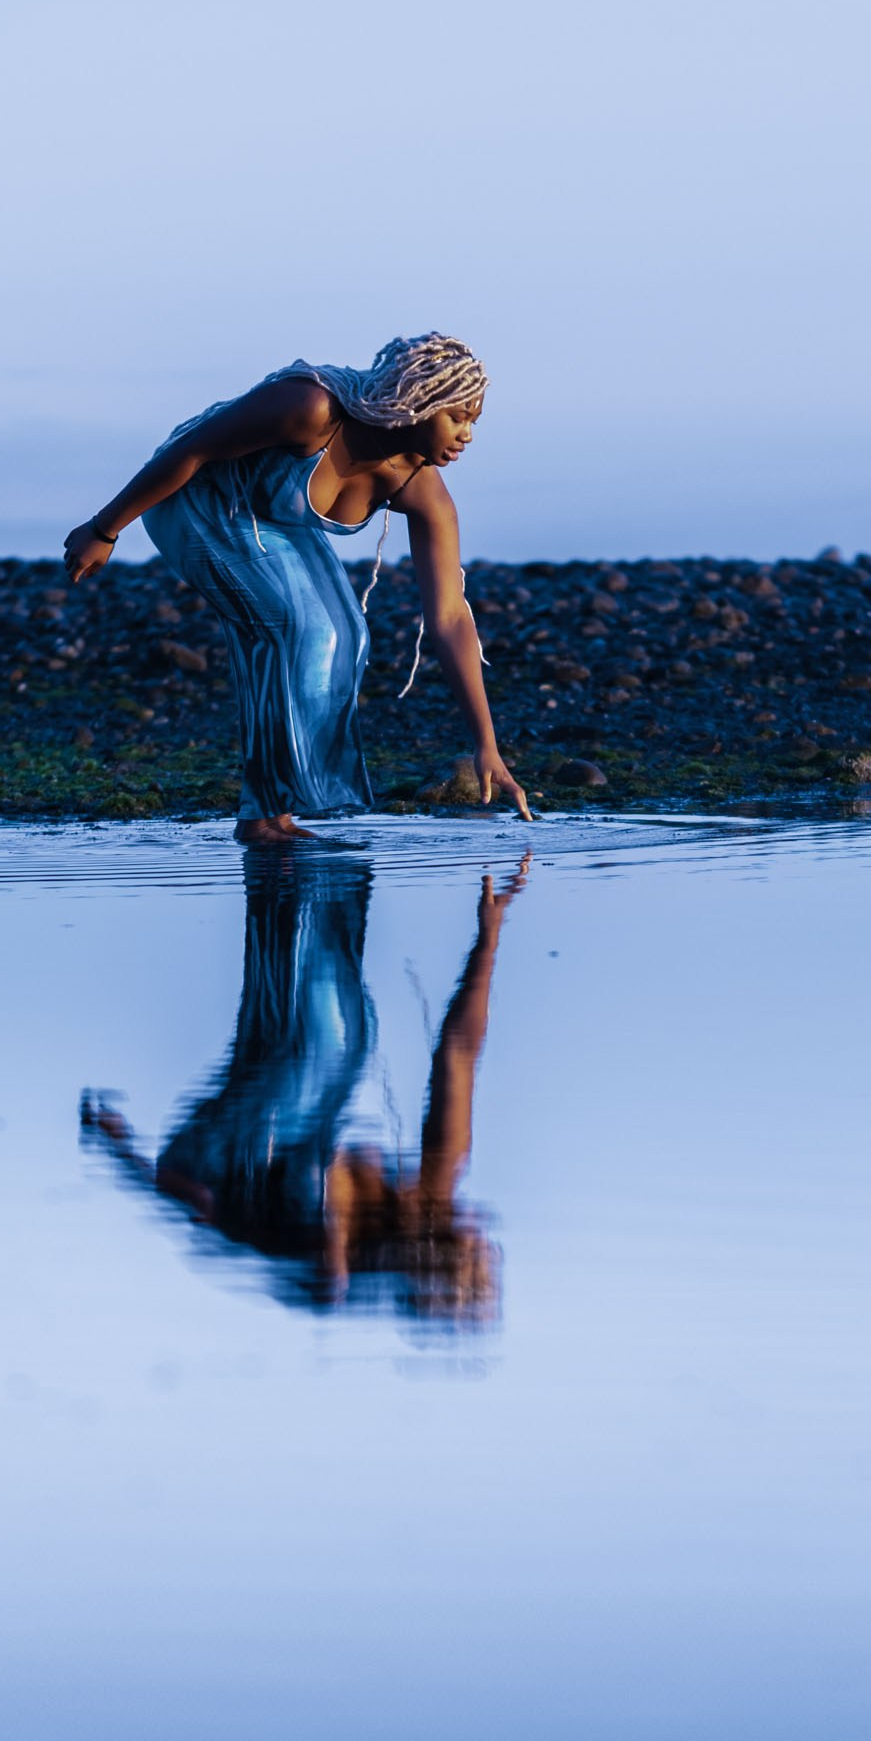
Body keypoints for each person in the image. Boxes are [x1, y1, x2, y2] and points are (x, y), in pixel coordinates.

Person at [63, 334, 531, 842]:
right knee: (296, 627)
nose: (466, 435)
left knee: (347, 633)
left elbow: (449, 617)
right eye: (457, 416)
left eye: (474, 422)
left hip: (271, 520)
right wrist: (105, 529)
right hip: (191, 498)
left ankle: (285, 808)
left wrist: (486, 743)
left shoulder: (422, 489)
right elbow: (192, 451)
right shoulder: (312, 407)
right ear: (414, 403)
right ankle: (263, 817)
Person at [80, 849, 530, 1322]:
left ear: (437, 1252)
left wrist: (124, 1153)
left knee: (331, 1053)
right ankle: (303, 865)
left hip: (215, 1162)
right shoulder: (436, 1187)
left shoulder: (328, 1270)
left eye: (475, 1241)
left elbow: (202, 1212)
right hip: (280, 1122)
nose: (479, 1223)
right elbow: (458, 1054)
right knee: (351, 1036)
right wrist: (489, 938)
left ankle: (296, 871)